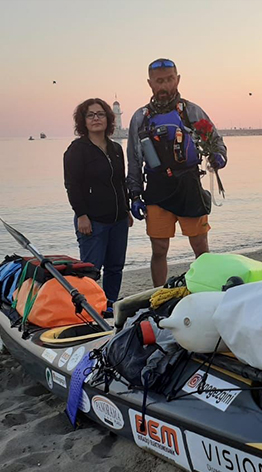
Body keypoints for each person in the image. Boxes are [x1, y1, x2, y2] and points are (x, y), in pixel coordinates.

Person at [126, 58, 227, 287]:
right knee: (159, 248)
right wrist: (134, 195)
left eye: (170, 80)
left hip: (189, 185)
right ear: (150, 83)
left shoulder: (191, 111)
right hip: (157, 187)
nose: (164, 86)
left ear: (178, 79)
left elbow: (216, 140)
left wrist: (219, 156)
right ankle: (159, 294)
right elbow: (133, 159)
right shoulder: (140, 118)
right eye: (159, 81)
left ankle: (205, 288)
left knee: (200, 245)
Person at [63, 98, 132, 309]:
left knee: (115, 267)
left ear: (109, 118)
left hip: (119, 218)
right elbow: (72, 185)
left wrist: (126, 208)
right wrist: (81, 215)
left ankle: (110, 304)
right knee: (91, 270)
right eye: (90, 115)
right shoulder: (77, 150)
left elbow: (121, 181)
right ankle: (91, 308)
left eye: (100, 114)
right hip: (93, 221)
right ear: (83, 121)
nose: (96, 119)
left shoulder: (115, 149)